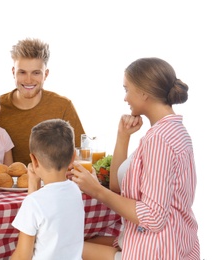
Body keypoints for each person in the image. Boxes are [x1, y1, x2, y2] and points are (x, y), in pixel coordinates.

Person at [71, 57, 200, 259]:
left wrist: (95, 190)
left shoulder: (160, 139)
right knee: (78, 239)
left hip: (158, 250)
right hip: (165, 241)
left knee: (60, 246)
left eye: (126, 89)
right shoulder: (171, 131)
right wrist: (123, 136)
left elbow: (153, 217)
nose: (125, 98)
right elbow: (117, 188)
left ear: (143, 92)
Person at [0, 38, 85, 166]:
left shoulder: (62, 106)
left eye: (36, 73)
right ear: (13, 72)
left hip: (52, 185)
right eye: (22, 72)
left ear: (46, 74)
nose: (28, 80)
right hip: (7, 184)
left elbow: (81, 155)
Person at [11, 119, 85, 260]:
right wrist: (33, 182)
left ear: (34, 160)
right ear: (73, 158)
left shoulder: (33, 203)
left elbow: (22, 256)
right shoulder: (75, 190)